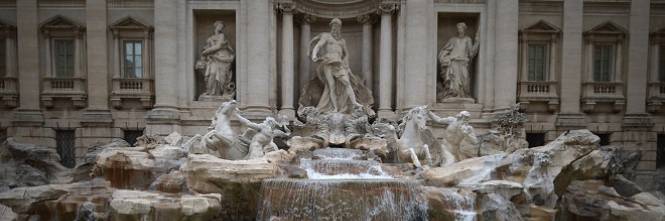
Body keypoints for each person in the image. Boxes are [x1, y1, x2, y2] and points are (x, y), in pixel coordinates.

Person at [438, 22, 479, 99]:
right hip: (453, 62)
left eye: (461, 28)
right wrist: (445, 57)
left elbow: (471, 53)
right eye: (458, 28)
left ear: (464, 29)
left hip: (463, 62)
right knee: (453, 79)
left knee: (465, 78)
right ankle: (454, 94)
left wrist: (476, 42)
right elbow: (445, 50)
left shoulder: (468, 39)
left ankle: (464, 95)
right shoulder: (453, 40)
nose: (459, 30)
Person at [197, 21, 235, 98]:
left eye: (222, 26)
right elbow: (206, 48)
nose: (221, 27)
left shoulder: (222, 36)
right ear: (216, 26)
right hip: (212, 60)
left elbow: (218, 47)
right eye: (220, 26)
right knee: (212, 74)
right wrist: (206, 53)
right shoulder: (210, 38)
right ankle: (210, 92)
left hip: (222, 58)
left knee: (221, 77)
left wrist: (206, 52)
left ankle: (218, 93)